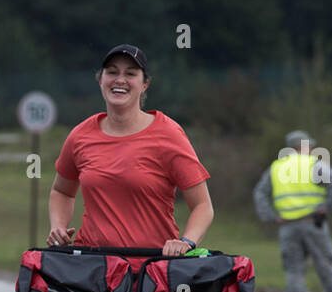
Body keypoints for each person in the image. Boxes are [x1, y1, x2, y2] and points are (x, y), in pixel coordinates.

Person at [48, 44, 213, 256]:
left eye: (130, 73)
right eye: (112, 72)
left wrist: (187, 242)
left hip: (150, 270)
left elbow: (202, 205)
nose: (120, 80)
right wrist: (58, 227)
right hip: (92, 269)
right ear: (100, 80)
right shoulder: (81, 135)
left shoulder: (168, 134)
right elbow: (61, 191)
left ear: (144, 84)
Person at [253, 130, 332, 292]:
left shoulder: (276, 167)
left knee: (293, 269)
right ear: (304, 146)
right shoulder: (314, 164)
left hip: (288, 227)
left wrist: (272, 216)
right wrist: (326, 208)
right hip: (313, 223)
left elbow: (260, 193)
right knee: (325, 264)